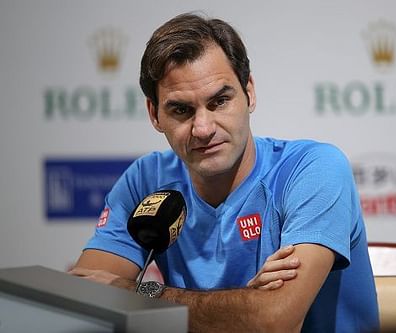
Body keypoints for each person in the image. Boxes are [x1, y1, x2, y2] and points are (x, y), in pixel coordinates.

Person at [70, 13, 379, 332]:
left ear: (249, 93)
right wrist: (248, 302)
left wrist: (141, 294)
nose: (203, 129)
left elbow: (274, 321)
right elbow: (83, 300)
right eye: (181, 110)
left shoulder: (313, 168)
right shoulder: (146, 180)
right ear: (154, 114)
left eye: (219, 101)